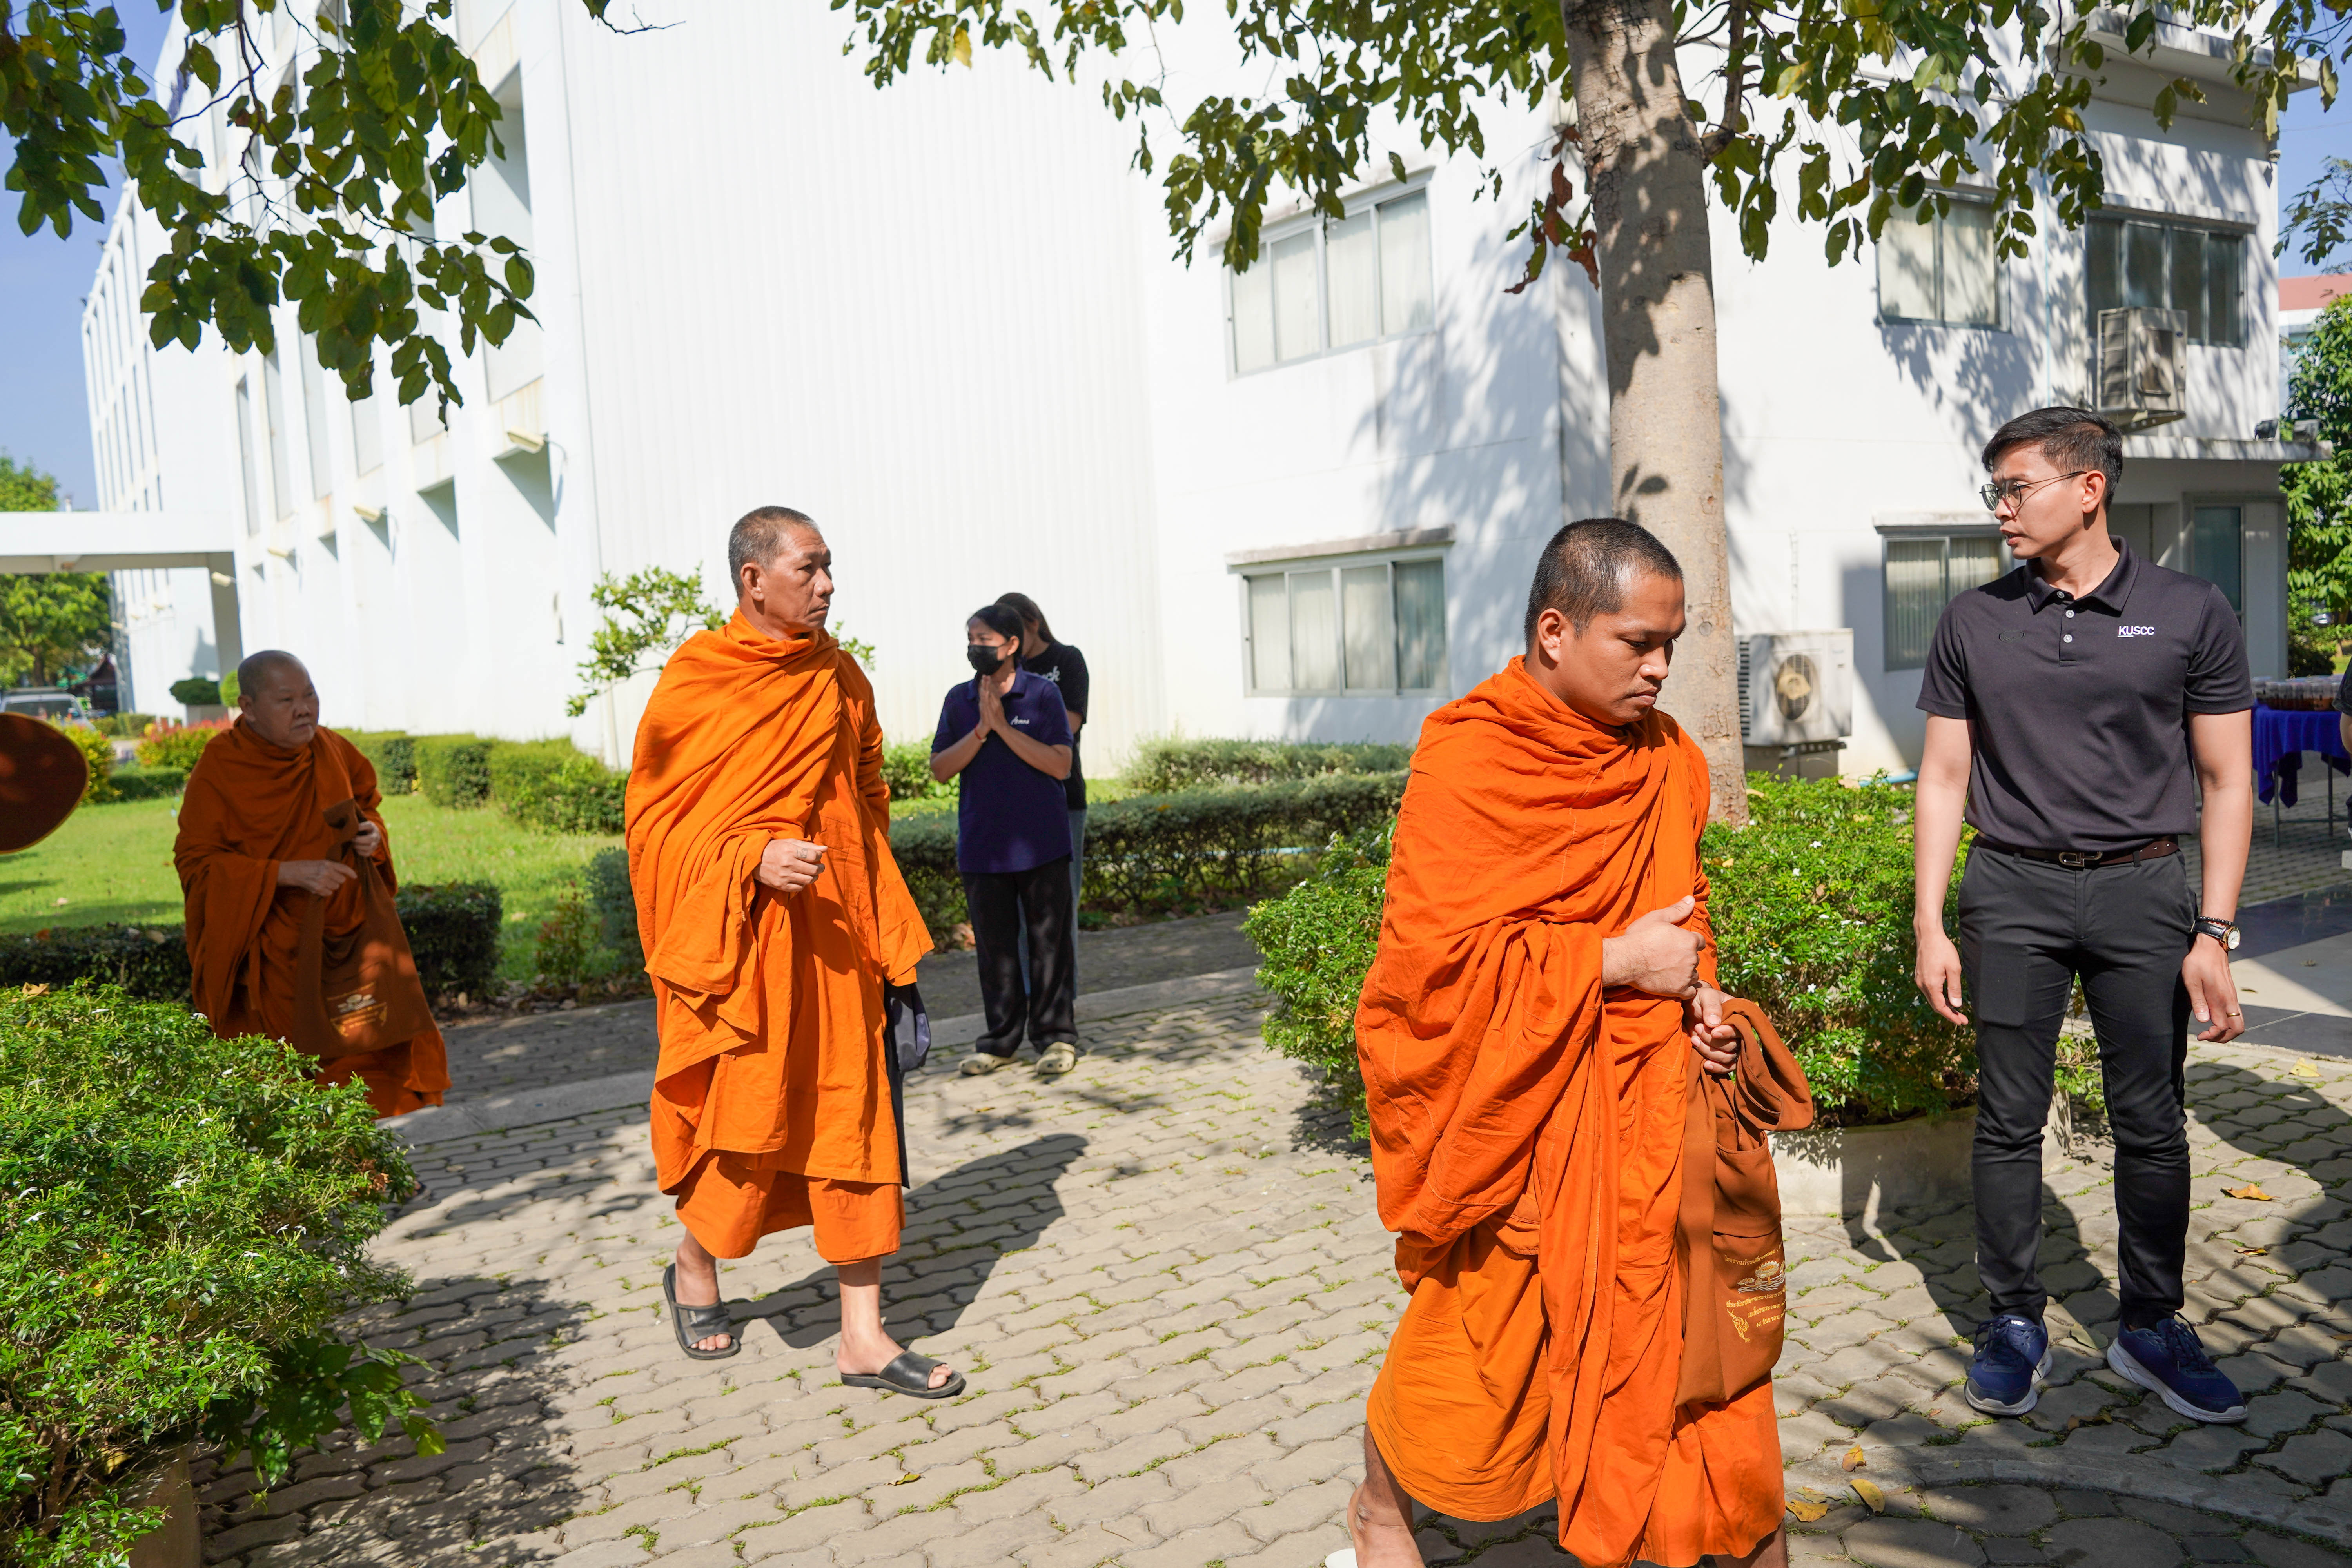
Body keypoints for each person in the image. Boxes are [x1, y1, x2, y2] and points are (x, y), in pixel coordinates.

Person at [1345, 519, 1783, 1568]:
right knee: (1474, 1367)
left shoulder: (1668, 758)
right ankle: (1379, 1514)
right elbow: (1430, 971)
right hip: (1527, 1129)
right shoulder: (1471, 756)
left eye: (1671, 643)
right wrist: (1615, 962)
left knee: (1700, 1376)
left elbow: (1684, 909)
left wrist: (1703, 998)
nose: (1661, 667)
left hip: (1654, 1121)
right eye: (1637, 642)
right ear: (1555, 630)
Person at [1913, 407, 2254, 1425]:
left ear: (2090, 487)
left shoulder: (2190, 611)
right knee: (2009, 1119)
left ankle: (2150, 1323)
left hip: (2144, 890)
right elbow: (1943, 776)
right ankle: (2015, 1320)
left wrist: (2215, 932)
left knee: (2151, 1120)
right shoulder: (1974, 619)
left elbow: (2227, 780)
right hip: (2011, 889)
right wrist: (1930, 922)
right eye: (1996, 491)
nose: (2001, 509)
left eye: (2017, 488)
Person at [629, 506, 957, 1395]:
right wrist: (750, 857)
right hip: (749, 950)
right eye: (809, 569)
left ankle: (863, 1336)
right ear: (754, 579)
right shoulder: (699, 680)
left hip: (839, 935)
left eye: (828, 568)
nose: (827, 586)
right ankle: (695, 1263)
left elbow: (869, 786)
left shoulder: (839, 675)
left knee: (856, 1119)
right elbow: (655, 829)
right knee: (749, 1123)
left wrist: (855, 878)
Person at [173, 650, 450, 1118]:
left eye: (310, 695)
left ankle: (367, 1154)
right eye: (287, 700)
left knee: (367, 1057)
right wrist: (283, 873)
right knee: (290, 1076)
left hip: (349, 934)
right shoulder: (222, 766)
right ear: (248, 707)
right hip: (274, 945)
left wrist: (373, 835)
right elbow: (197, 861)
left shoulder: (331, 748)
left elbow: (366, 804)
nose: (304, 709)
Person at [929, 603, 1080, 1078]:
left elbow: (1060, 764)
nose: (976, 648)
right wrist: (981, 729)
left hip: (1042, 844)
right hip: (983, 847)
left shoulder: (1043, 694)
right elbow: (940, 769)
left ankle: (1056, 1038)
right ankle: (1000, 1041)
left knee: (1049, 946)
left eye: (985, 640)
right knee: (995, 952)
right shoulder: (959, 699)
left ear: (1012, 644)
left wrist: (1002, 728)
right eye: (971, 639)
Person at [996, 592, 1090, 911]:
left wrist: (1011, 728)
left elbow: (1070, 724)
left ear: (1034, 624)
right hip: (1013, 801)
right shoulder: (1003, 669)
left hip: (1063, 797)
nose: (1010, 642)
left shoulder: (1068, 659)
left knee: (1062, 906)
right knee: (1019, 909)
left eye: (1015, 631)